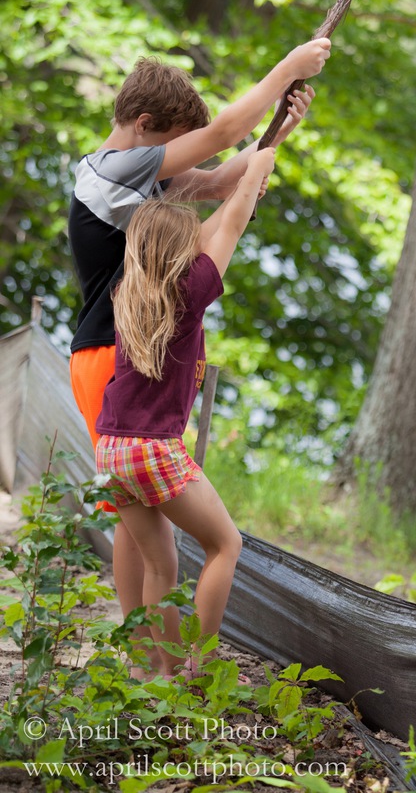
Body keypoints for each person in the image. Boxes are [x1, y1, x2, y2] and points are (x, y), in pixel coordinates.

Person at [68, 41, 330, 676]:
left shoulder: (130, 178)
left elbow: (217, 183)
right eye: (176, 142)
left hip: (105, 354)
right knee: (149, 532)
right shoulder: (111, 170)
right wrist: (287, 67)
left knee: (138, 528)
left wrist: (281, 132)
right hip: (112, 355)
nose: (186, 154)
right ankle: (156, 663)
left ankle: (145, 663)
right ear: (144, 129)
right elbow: (222, 135)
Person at [95, 146, 277, 681]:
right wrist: (258, 168)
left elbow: (221, 226)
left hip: (111, 448)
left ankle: (162, 672)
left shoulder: (129, 291)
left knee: (159, 563)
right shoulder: (189, 292)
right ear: (184, 253)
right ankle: (198, 668)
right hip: (152, 449)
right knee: (226, 544)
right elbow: (233, 225)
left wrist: (260, 160)